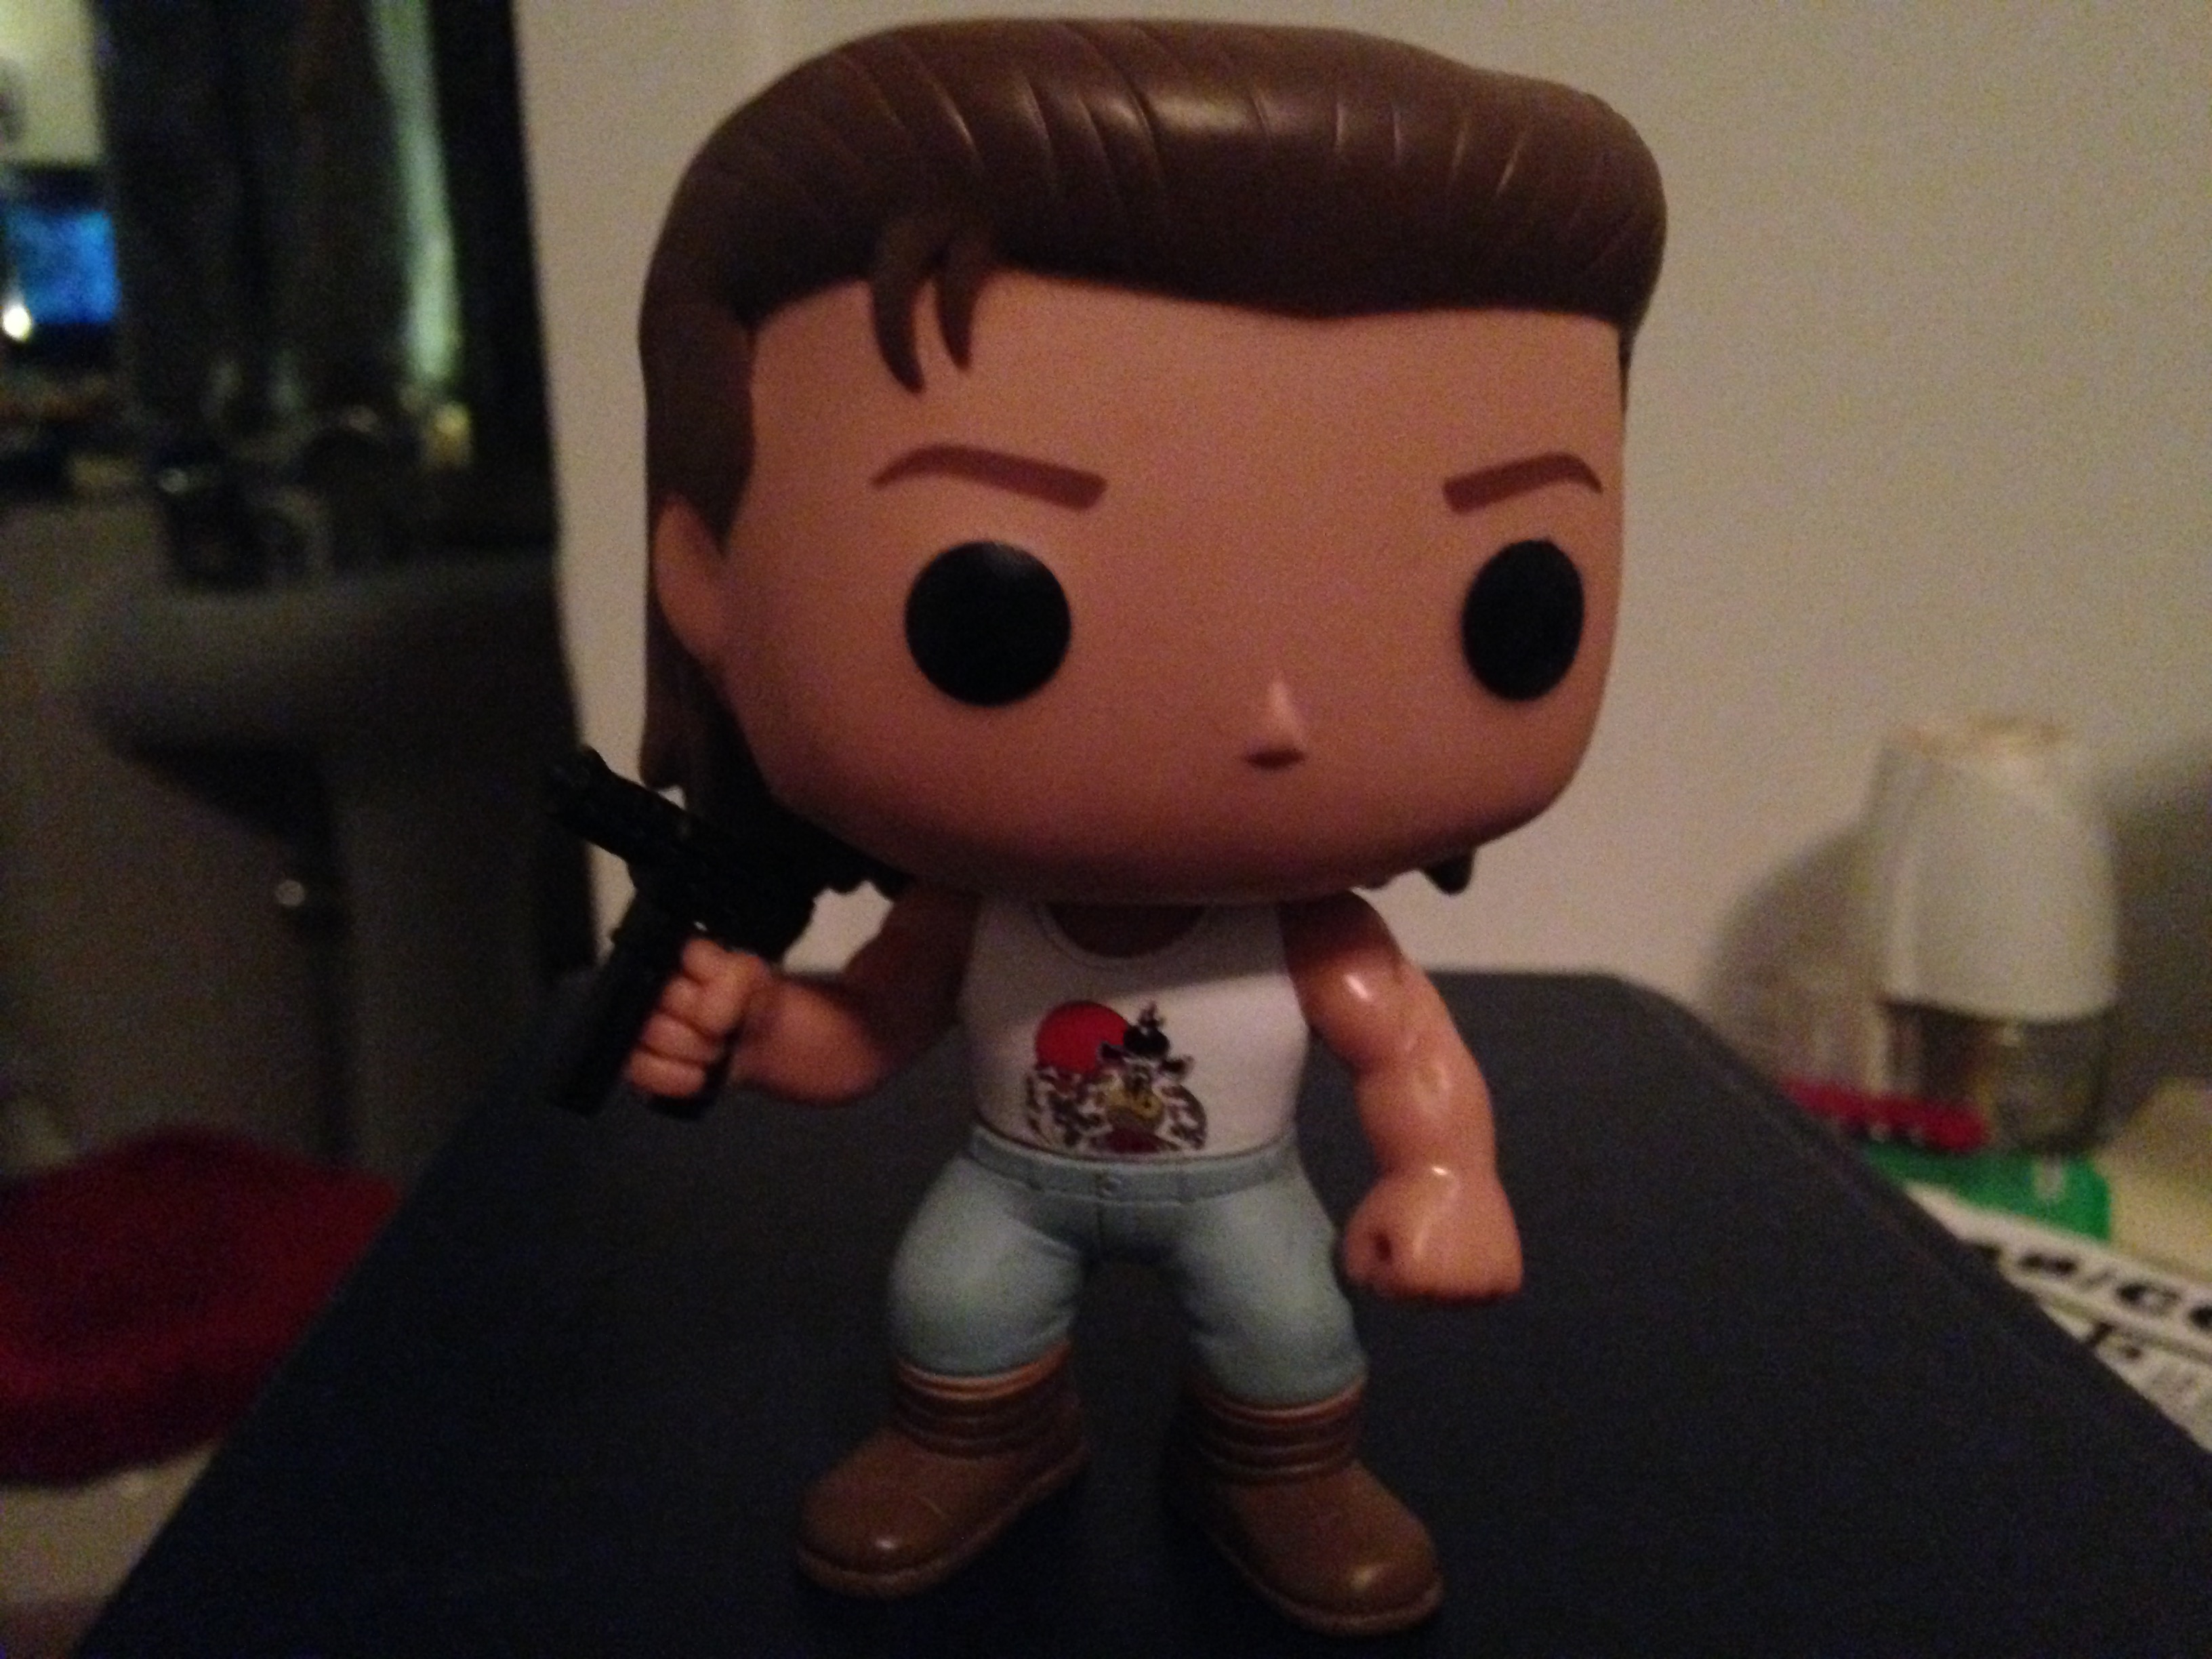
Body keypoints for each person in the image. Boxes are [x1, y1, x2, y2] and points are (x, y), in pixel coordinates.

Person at [624, 20, 1662, 1637]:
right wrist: (760, 1023)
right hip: (1014, 1175)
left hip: (1241, 1186)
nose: (1275, 715)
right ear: (710, 574)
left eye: (1509, 604)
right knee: (949, 1297)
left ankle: (1280, 1470)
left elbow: (1406, 1049)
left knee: (1291, 1329)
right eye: (991, 607)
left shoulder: (1312, 932)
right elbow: (874, 1025)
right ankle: (982, 1436)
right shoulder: (968, 916)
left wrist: (1450, 1170)